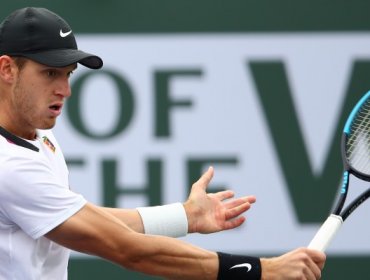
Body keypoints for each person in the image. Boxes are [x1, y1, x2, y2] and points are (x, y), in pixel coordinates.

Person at [0, 7, 325, 280]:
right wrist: (264, 270)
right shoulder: (10, 166)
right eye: (49, 74)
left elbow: (83, 218)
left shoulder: (39, 133)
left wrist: (184, 217)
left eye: (68, 74)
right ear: (7, 69)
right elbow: (126, 248)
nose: (64, 90)